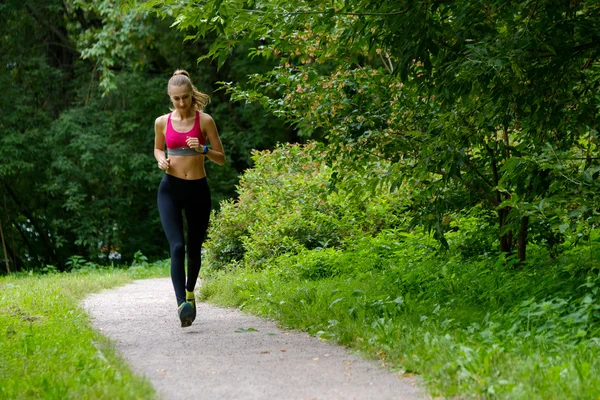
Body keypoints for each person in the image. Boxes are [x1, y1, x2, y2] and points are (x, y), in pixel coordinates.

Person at [154, 69, 225, 327]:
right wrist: (161, 159)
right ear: (170, 98)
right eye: (176, 99)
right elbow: (157, 147)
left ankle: (190, 293)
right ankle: (181, 304)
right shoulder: (161, 121)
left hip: (197, 190)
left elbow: (221, 157)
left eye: (185, 97)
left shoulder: (205, 121)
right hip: (170, 190)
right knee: (177, 247)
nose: (181, 103)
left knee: (194, 250)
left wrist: (203, 149)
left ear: (191, 94)